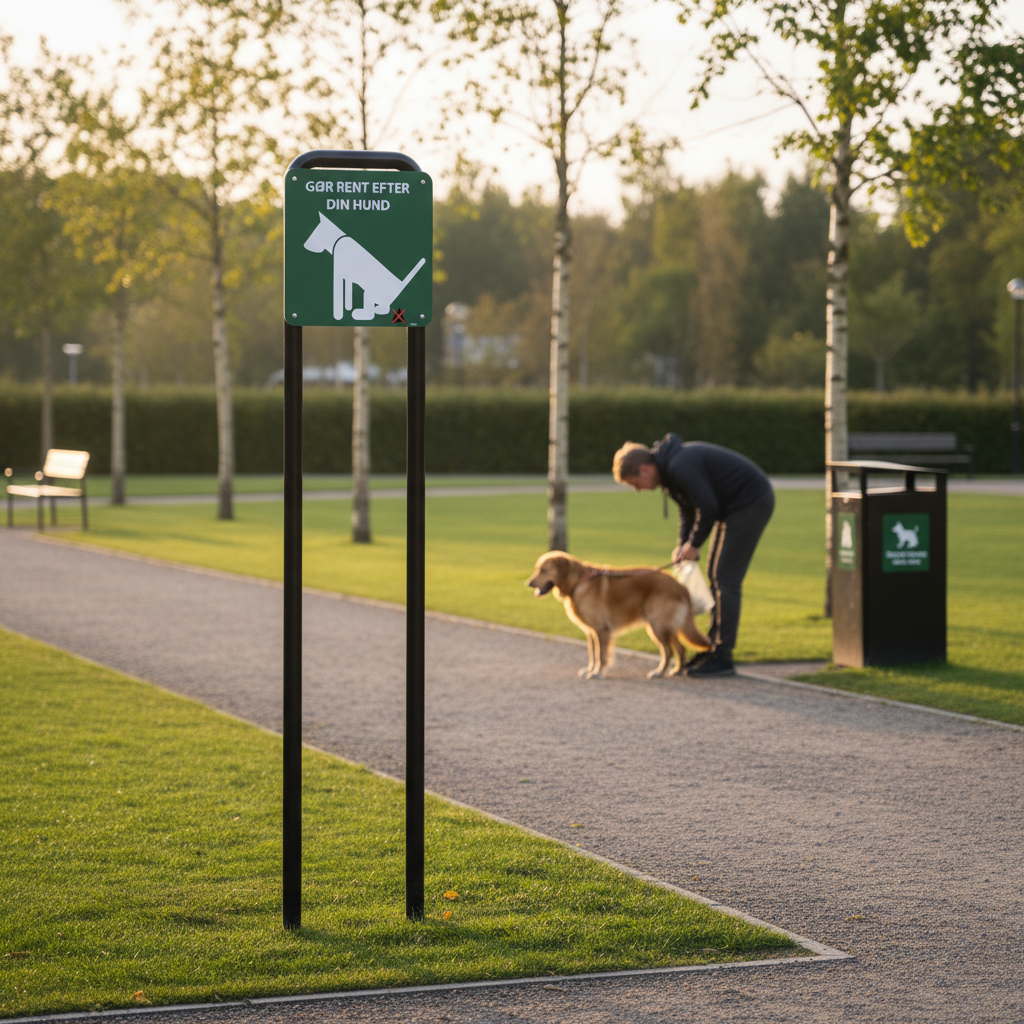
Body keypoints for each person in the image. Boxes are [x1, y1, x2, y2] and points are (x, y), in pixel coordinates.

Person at [612, 433, 774, 678]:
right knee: (716, 576)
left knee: (726, 579)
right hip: (730, 508)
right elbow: (688, 510)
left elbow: (707, 506)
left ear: (645, 469)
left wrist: (695, 544)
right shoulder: (669, 472)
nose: (638, 490)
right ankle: (712, 650)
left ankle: (722, 657)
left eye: (635, 484)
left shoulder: (679, 465)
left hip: (750, 502)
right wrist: (683, 545)